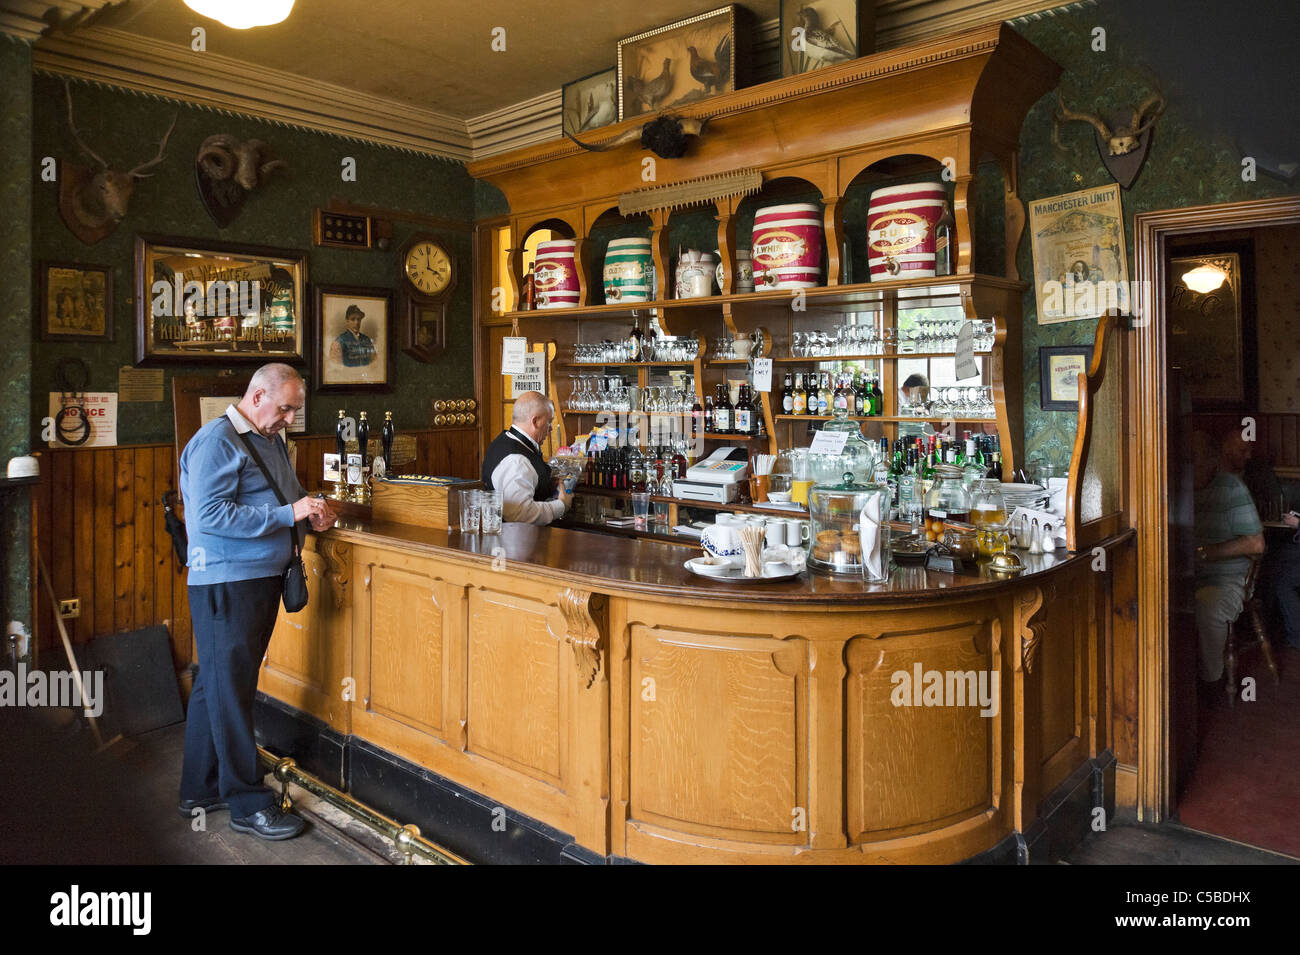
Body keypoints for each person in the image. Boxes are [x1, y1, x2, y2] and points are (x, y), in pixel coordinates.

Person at [178, 363, 335, 840]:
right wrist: (291, 512)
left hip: (255, 579)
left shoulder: (268, 439)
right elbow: (208, 516)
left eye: (295, 409)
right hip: (227, 582)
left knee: (219, 686)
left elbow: (280, 498)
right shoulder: (215, 440)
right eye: (285, 407)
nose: (290, 418)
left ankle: (198, 789)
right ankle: (248, 803)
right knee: (232, 692)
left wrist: (310, 514)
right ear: (257, 396)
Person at [1192, 427, 1265, 690]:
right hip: (1186, 577)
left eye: (1194, 456)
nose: (1187, 462)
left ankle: (1210, 682)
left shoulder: (1232, 487)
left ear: (1213, 459)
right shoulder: (1176, 487)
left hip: (1229, 580)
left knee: (1206, 606)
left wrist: (1204, 553)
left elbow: (1256, 544)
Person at [481, 391, 572, 525]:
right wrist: (562, 505)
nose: (551, 428)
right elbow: (520, 514)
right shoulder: (516, 460)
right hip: (517, 542)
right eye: (549, 422)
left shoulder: (504, 441)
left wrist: (548, 484)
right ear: (535, 421)